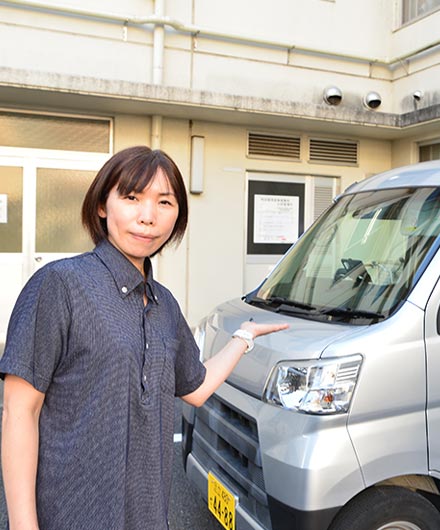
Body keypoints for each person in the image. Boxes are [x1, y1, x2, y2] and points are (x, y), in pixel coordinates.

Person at [0, 146, 288, 530]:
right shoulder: (60, 285)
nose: (147, 217)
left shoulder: (163, 305)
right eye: (132, 197)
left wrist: (243, 337)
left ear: (177, 217)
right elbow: (20, 412)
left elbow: (196, 388)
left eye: (164, 202)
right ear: (103, 206)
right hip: (71, 516)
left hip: (148, 516)